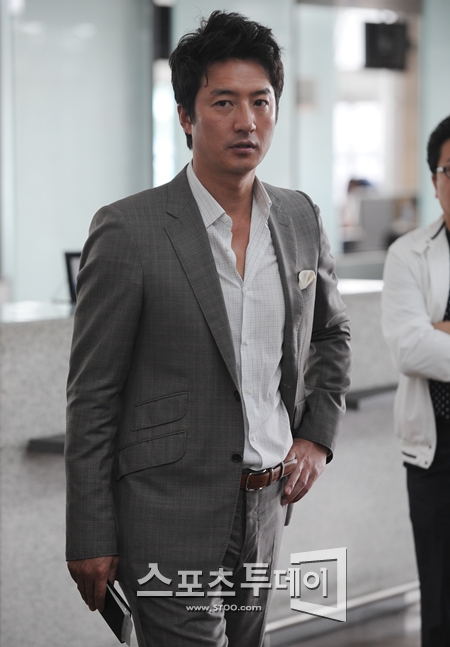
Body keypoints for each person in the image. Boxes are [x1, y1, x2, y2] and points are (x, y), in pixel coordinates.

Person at [65, 11, 351, 647]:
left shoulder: (300, 218)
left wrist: (316, 436)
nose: (246, 120)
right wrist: (88, 531)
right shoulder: (128, 230)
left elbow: (332, 334)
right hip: (165, 510)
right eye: (224, 102)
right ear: (186, 116)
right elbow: (92, 395)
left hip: (266, 507)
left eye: (260, 101)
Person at [382, 115, 450, 647]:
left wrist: (440, 330)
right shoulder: (408, 252)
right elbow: (410, 348)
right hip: (437, 452)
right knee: (442, 603)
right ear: (435, 179)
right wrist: (428, 335)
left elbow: (430, 342)